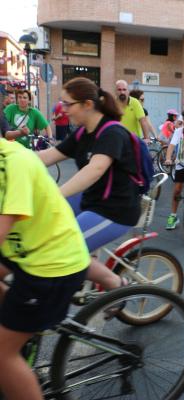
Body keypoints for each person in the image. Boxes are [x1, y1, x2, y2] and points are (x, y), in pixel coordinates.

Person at [0, 139, 90, 400]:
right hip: (24, 250)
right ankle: (20, 329)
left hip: (52, 266)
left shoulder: (12, 162)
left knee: (2, 355)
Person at [38, 77, 142, 292]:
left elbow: (94, 170)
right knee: (41, 229)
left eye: (67, 104)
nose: (63, 109)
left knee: (65, 249)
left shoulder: (112, 133)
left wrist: (55, 194)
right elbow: (48, 156)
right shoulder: (82, 131)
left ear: (87, 104)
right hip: (91, 199)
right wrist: (10, 157)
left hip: (115, 210)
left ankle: (116, 284)